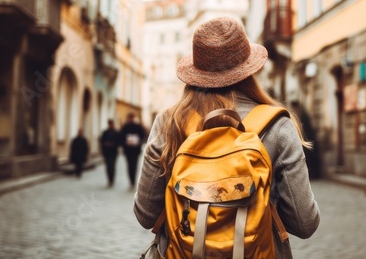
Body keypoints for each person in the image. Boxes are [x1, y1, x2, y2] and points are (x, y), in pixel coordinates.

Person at [134, 17, 320, 258]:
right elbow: (305, 224)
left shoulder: (168, 123)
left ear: (196, 71)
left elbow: (145, 215)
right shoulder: (277, 126)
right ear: (248, 69)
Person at [120, 113, 147, 190]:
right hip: (128, 150)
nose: (131, 119)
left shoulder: (138, 126)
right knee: (129, 165)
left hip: (135, 150)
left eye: (132, 117)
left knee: (134, 165)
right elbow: (121, 137)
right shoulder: (125, 127)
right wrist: (125, 142)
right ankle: (131, 181)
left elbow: (143, 136)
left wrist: (138, 141)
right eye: (130, 117)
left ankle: (133, 181)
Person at [100, 119, 119, 188]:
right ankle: (109, 180)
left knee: (112, 166)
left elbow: (118, 142)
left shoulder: (115, 132)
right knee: (108, 166)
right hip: (107, 152)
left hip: (113, 152)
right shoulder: (105, 132)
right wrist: (105, 144)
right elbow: (102, 141)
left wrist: (112, 144)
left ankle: (112, 179)